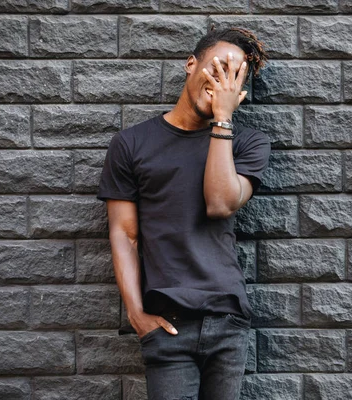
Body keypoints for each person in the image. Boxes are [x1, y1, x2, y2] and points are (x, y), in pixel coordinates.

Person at [97, 27, 270, 400]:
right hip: (167, 324)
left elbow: (219, 203)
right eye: (218, 68)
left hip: (226, 319)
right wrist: (137, 315)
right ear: (191, 64)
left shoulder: (249, 143)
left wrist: (222, 120)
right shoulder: (131, 144)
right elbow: (124, 235)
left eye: (234, 76)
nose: (222, 82)